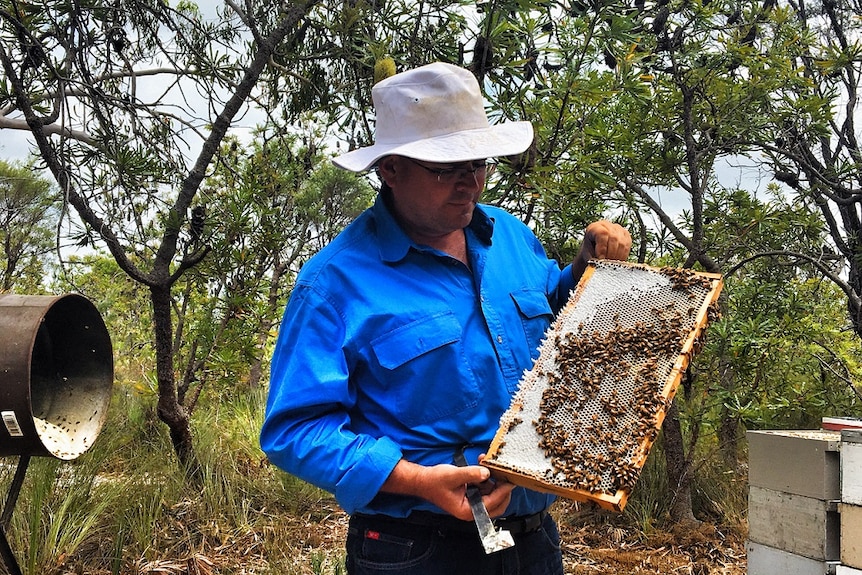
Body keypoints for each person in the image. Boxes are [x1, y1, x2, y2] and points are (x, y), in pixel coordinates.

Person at [260, 62, 632, 575]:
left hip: (534, 540)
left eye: (477, 164)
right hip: (416, 548)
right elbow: (295, 430)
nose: (468, 184)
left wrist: (585, 267)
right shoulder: (333, 283)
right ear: (390, 168)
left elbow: (554, 307)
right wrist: (416, 479)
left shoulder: (508, 233)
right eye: (444, 169)